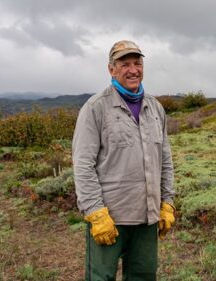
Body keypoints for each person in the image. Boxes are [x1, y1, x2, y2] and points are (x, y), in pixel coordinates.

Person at [72, 40, 176, 281]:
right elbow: (83, 165)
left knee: (143, 276)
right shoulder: (95, 108)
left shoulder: (155, 108)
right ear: (111, 69)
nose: (133, 69)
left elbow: (165, 160)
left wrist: (167, 202)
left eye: (137, 63)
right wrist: (96, 213)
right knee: (101, 277)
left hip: (147, 217)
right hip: (109, 218)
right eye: (125, 64)